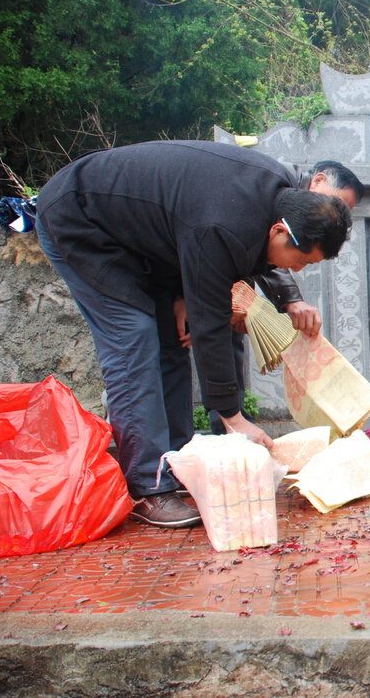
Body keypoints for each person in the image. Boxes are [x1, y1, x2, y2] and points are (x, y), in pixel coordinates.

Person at [36, 140, 353, 528]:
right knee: (133, 337)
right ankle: (148, 489)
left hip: (149, 241)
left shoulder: (278, 198)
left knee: (172, 338)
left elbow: (193, 241)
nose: (299, 270)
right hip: (81, 219)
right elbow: (212, 325)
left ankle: (179, 463)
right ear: (277, 231)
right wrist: (233, 418)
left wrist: (184, 293)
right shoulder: (223, 226)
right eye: (301, 260)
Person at [200, 160, 366, 435]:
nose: (334, 215)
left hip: (206, 277)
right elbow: (263, 255)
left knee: (225, 340)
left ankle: (229, 430)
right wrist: (182, 296)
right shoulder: (273, 190)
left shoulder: (284, 205)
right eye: (336, 204)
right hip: (175, 274)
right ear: (318, 180)